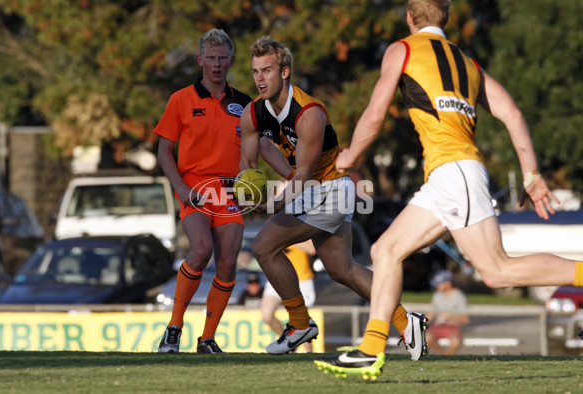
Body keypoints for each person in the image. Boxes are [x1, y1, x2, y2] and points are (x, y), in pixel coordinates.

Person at [315, 0, 583, 380]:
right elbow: (513, 114)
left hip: (455, 172)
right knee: (385, 250)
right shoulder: (469, 64)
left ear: (410, 19)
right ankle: (371, 349)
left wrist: (351, 157)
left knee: (496, 272)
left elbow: (376, 112)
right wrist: (531, 174)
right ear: (446, 19)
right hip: (447, 177)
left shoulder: (402, 49)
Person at [240, 36, 428, 358]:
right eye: (256, 71)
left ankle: (300, 324)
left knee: (263, 246)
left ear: (285, 72)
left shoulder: (310, 113)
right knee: (342, 270)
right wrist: (249, 187)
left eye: (267, 70)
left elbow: (303, 176)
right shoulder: (252, 113)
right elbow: (251, 160)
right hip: (312, 190)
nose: (259, 78)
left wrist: (271, 204)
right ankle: (406, 321)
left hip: (330, 191)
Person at [154, 28, 252, 354]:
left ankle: (207, 339)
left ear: (231, 61)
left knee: (228, 262)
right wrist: (180, 188)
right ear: (200, 60)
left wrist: (288, 176)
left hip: (228, 192)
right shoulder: (180, 99)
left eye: (222, 57)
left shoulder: (245, 104)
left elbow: (259, 148)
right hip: (195, 189)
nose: (217, 64)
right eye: (211, 58)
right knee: (200, 250)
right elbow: (163, 150)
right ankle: (173, 328)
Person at [261, 240, 316, 353]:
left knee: (303, 322)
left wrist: (287, 238)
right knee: (266, 315)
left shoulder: (302, 226)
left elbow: (312, 249)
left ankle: (309, 355)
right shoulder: (275, 225)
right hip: (277, 276)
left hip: (301, 279)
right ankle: (289, 343)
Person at [425, 270, 469, 355]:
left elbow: (466, 319)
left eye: (439, 283)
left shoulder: (459, 296)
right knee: (427, 337)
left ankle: (450, 356)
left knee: (455, 341)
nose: (437, 286)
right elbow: (431, 314)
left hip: (453, 326)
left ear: (448, 283)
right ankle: (442, 354)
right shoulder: (437, 295)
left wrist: (450, 316)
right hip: (438, 326)